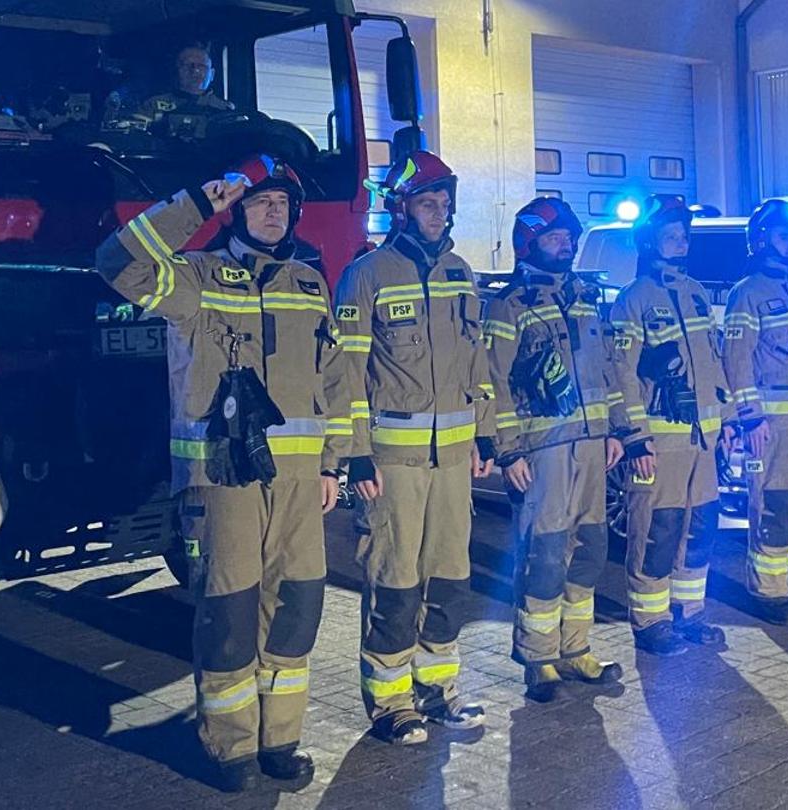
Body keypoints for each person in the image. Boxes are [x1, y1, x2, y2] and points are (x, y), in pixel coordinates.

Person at [95, 155, 345, 793]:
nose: (271, 212)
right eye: (259, 201)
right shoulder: (197, 278)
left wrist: (333, 466)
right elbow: (117, 263)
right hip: (223, 478)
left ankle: (280, 740)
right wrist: (196, 203)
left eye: (282, 204)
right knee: (230, 612)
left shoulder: (310, 282)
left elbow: (335, 384)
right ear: (236, 210)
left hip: (298, 484)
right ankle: (229, 744)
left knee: (295, 608)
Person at [330, 150, 496, 746]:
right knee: (396, 582)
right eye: (428, 203)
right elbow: (344, 373)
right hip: (391, 463)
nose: (439, 213)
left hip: (453, 462)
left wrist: (485, 431)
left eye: (445, 203)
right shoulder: (366, 274)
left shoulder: (460, 271)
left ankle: (438, 689)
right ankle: (389, 701)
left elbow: (477, 362)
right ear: (402, 208)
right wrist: (354, 453)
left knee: (450, 579)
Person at [485, 197, 651, 701]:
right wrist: (507, 451)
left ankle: (575, 648)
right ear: (529, 241)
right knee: (546, 553)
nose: (568, 244)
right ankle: (538, 659)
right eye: (557, 236)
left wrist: (621, 434)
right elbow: (493, 383)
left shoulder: (585, 298)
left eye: (571, 237)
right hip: (543, 453)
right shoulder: (509, 306)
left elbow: (607, 374)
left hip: (592, 449)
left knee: (590, 550)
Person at [609, 195, 730, 655]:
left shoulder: (696, 292)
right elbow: (620, 373)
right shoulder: (634, 300)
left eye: (684, 235)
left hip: (703, 440)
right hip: (659, 442)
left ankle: (689, 613)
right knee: (656, 532)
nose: (681, 243)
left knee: (699, 530)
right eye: (671, 236)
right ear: (650, 241)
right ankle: (650, 621)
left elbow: (714, 360)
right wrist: (634, 437)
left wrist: (731, 419)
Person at [721, 200, 788, 626]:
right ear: (763, 239)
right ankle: (768, 593)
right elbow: (737, 359)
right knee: (774, 507)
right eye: (785, 235)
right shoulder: (747, 293)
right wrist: (749, 417)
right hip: (771, 426)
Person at [103, 41, 234, 135]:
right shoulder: (153, 104)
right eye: (187, 65)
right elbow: (135, 132)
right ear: (176, 70)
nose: (195, 71)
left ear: (212, 74)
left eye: (202, 66)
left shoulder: (224, 109)